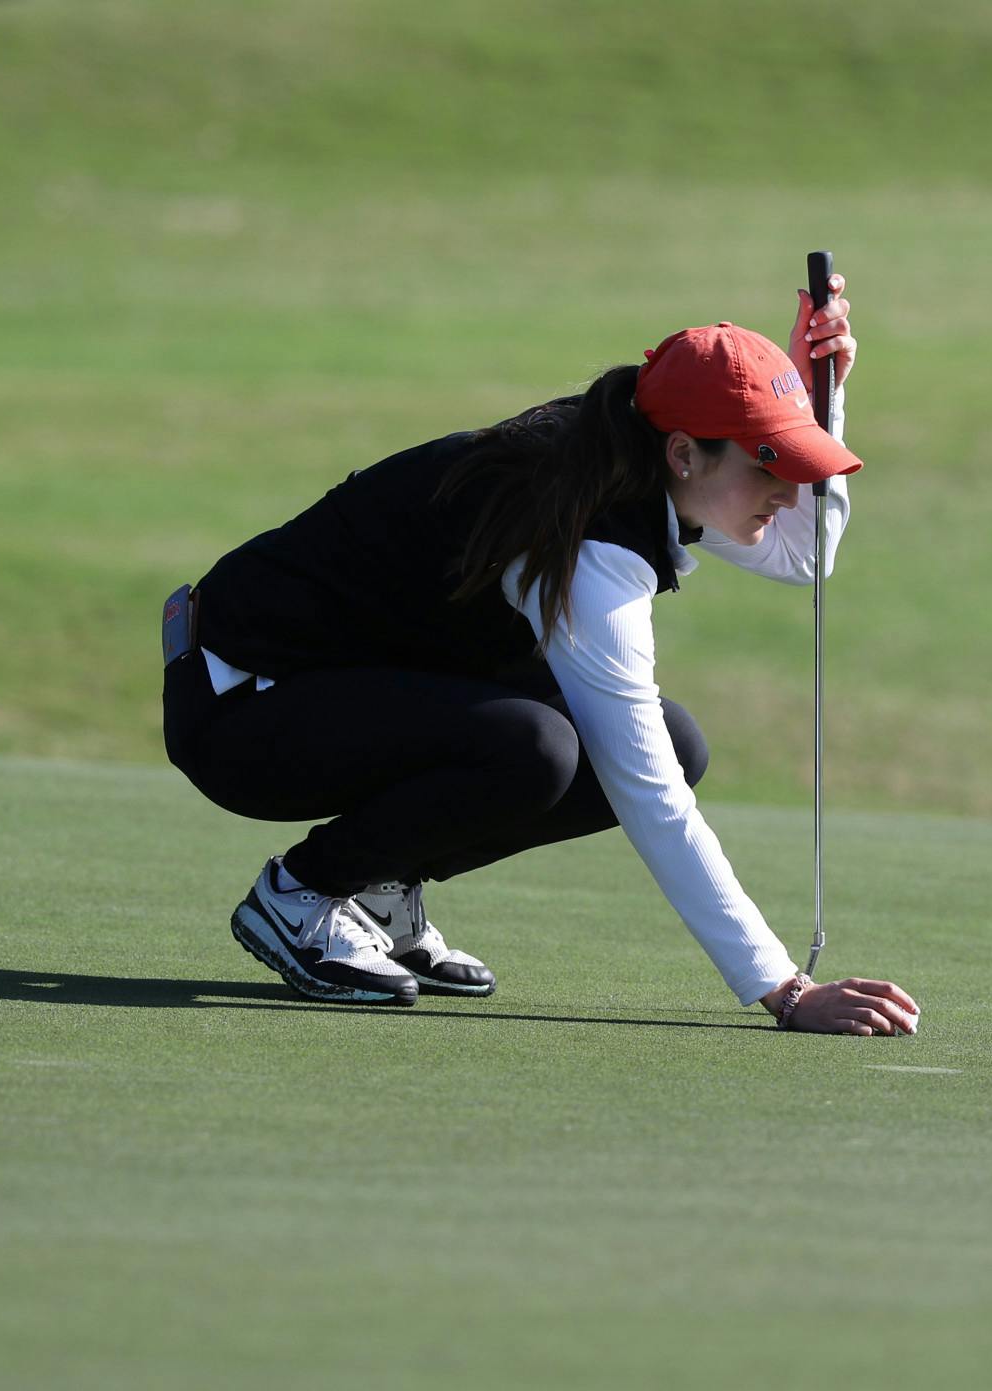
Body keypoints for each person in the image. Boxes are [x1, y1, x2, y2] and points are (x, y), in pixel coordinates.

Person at [161, 275, 918, 1036]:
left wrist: (814, 401)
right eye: (768, 464)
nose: (788, 493)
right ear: (686, 454)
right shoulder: (589, 537)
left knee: (674, 737)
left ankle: (381, 886)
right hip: (242, 706)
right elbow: (647, 791)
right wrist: (783, 988)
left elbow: (804, 555)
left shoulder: (635, 455)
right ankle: (302, 894)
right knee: (539, 748)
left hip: (337, 684)